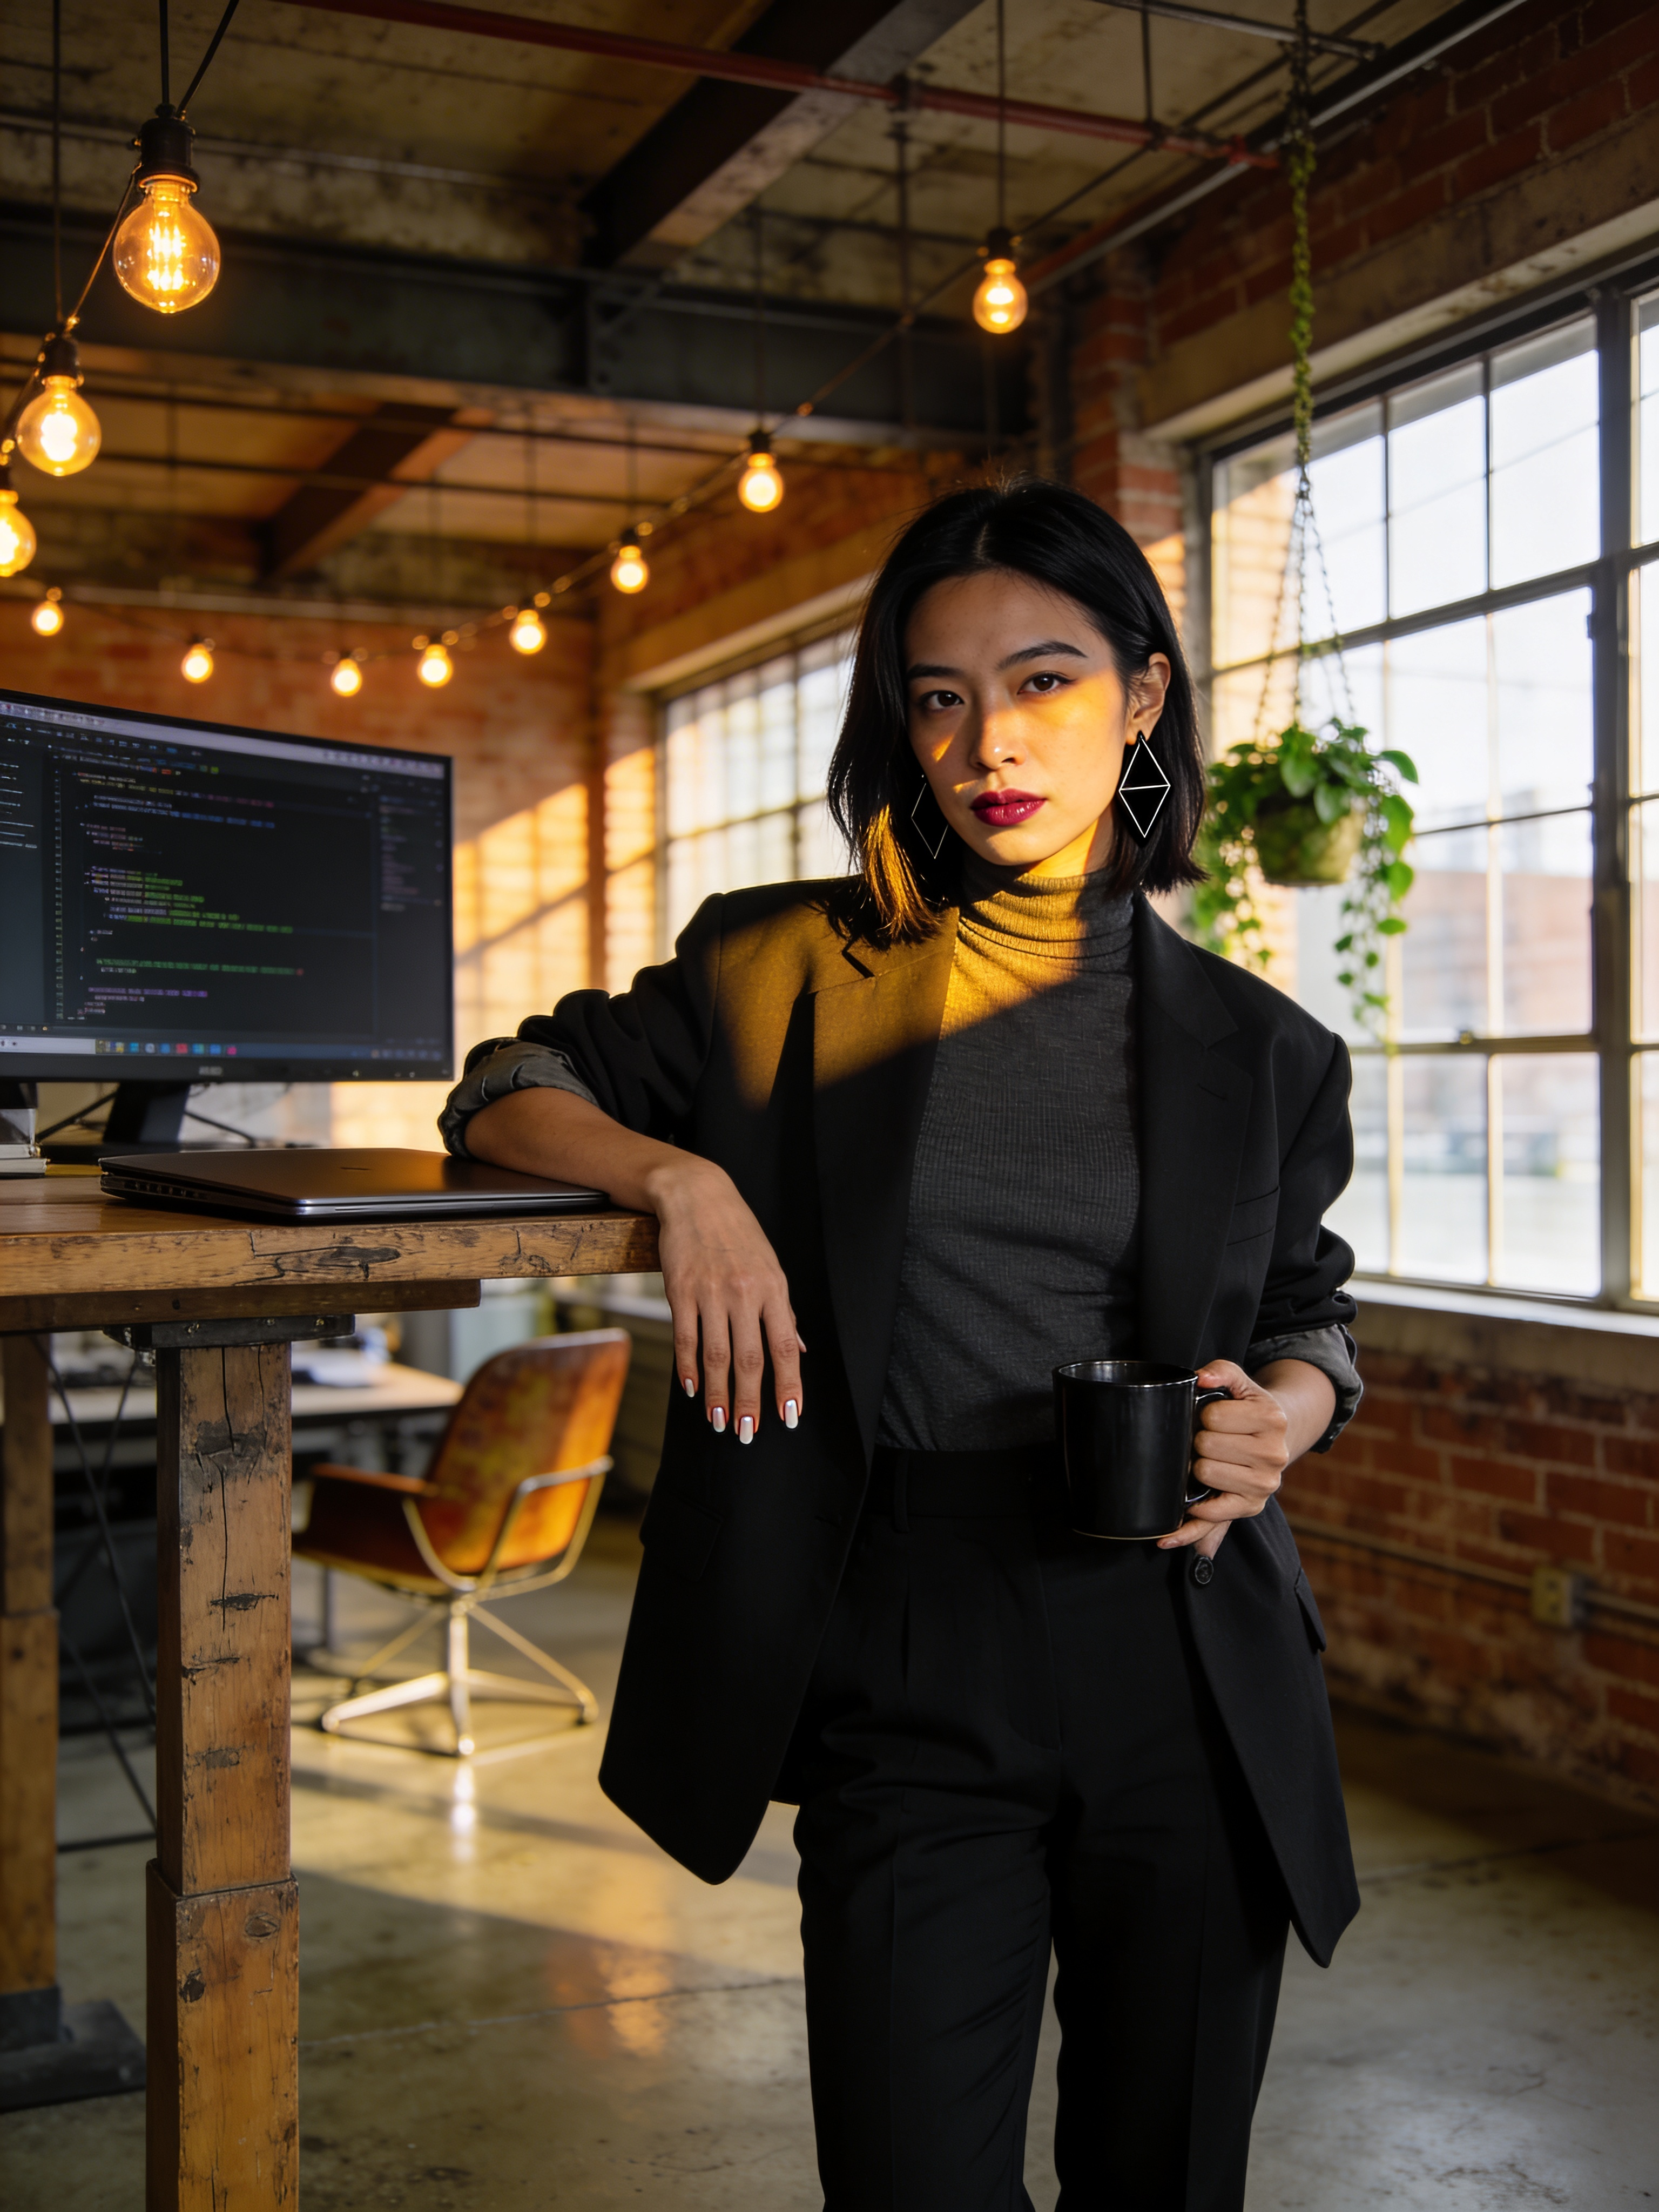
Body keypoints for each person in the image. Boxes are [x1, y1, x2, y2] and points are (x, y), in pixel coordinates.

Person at [442, 479, 1363, 2211]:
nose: (985, 742)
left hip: (1185, 1640)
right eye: (939, 696)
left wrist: (1291, 1413)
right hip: (905, 1634)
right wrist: (681, 1180)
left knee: (1167, 2178)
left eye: (1043, 681)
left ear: (1143, 696)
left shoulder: (1267, 1050)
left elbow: (1309, 1307)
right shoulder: (774, 969)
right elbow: (505, 1087)